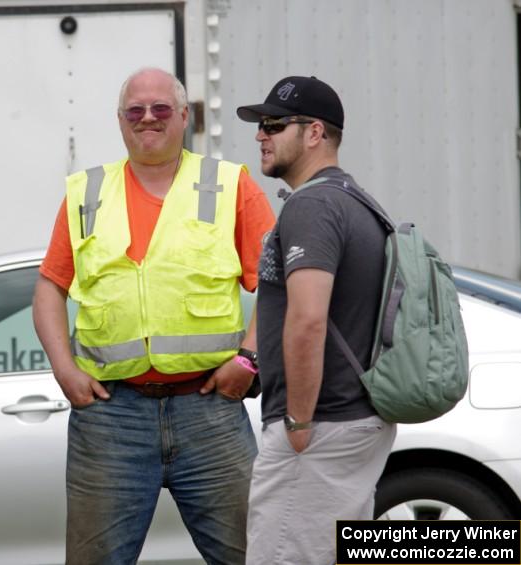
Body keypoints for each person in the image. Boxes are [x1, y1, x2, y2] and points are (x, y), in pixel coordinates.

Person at [33, 67, 275, 564]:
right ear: (120, 121)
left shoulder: (230, 186)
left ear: (184, 117)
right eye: (135, 110)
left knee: (256, 557)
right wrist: (64, 368)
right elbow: (49, 288)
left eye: (161, 109)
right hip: (110, 416)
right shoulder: (87, 193)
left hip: (209, 409)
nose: (148, 118)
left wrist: (249, 361)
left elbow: (279, 286)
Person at [236, 76, 397, 564]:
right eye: (260, 126)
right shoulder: (355, 200)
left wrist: (298, 423)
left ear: (314, 134)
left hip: (320, 425)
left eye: (274, 124)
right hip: (351, 419)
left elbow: (307, 319)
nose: (260, 135)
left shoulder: (312, 205)